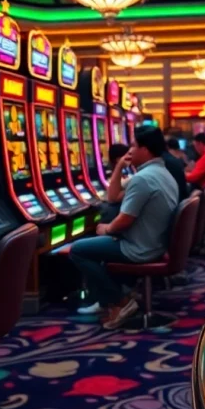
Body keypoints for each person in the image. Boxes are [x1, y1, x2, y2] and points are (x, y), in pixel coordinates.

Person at [70, 127, 179, 328]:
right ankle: (112, 298)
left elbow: (125, 220)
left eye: (134, 146)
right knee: (95, 247)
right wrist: (120, 166)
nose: (130, 151)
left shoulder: (143, 179)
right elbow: (113, 197)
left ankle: (121, 301)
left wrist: (107, 229)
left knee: (78, 250)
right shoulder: (161, 173)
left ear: (145, 150)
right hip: (155, 243)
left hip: (139, 248)